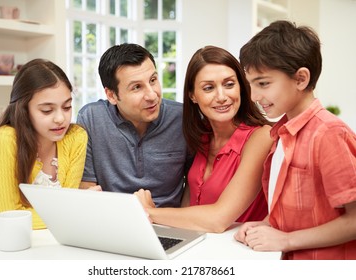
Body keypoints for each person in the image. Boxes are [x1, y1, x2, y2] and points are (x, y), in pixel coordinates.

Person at [234, 20, 356, 260]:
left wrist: (287, 239)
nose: (255, 96)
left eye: (263, 83)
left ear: (300, 79)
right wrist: (267, 224)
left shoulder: (329, 133)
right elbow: (295, 207)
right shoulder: (281, 133)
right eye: (251, 85)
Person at [135, 45, 273, 233]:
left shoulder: (261, 137)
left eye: (229, 84)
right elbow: (187, 209)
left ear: (241, 87)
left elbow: (218, 219)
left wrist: (150, 212)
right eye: (208, 88)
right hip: (200, 248)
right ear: (192, 95)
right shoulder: (200, 138)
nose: (222, 96)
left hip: (243, 252)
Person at [0, 59, 88, 234]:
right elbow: (8, 217)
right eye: (47, 110)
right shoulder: (5, 140)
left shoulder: (76, 137)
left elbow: (66, 207)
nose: (60, 118)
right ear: (24, 109)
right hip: (12, 245)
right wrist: (1, 218)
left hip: (58, 241)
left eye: (67, 107)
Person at [77, 43, 191, 207]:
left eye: (153, 80)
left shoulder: (182, 118)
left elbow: (196, 184)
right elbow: (87, 189)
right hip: (112, 222)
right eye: (137, 87)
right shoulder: (91, 119)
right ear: (112, 95)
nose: (152, 95)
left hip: (170, 225)